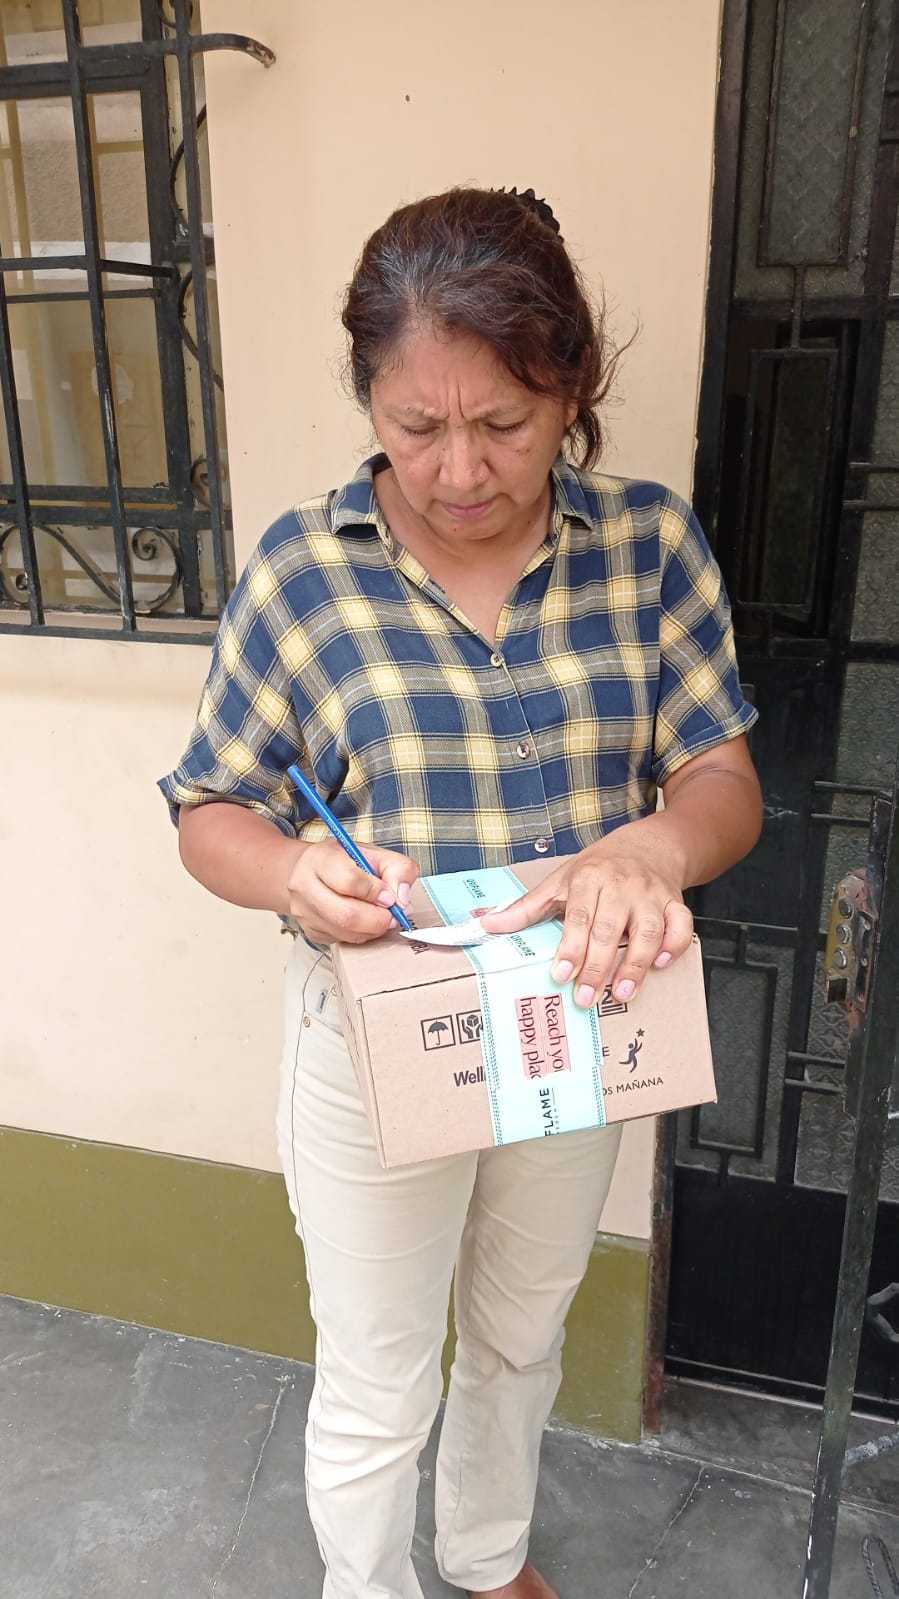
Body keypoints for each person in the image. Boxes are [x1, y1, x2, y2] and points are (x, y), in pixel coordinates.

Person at [159, 186, 762, 1599]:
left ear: (572, 390)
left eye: (505, 422)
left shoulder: (646, 547)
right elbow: (210, 809)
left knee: (518, 1335)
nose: (460, 469)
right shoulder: (307, 572)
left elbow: (721, 776)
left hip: (571, 1018)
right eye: (416, 424)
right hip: (383, 1041)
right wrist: (293, 871)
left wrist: (653, 847)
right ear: (368, 394)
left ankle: (488, 1560)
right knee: (379, 1372)